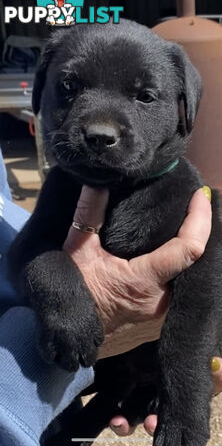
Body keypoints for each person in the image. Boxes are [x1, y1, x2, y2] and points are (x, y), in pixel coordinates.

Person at [0, 147, 221, 446]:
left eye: (145, 96)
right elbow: (27, 252)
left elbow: (203, 290)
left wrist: (185, 394)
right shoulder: (64, 181)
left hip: (64, 389)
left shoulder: (182, 188)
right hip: (34, 374)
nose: (100, 125)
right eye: (69, 95)